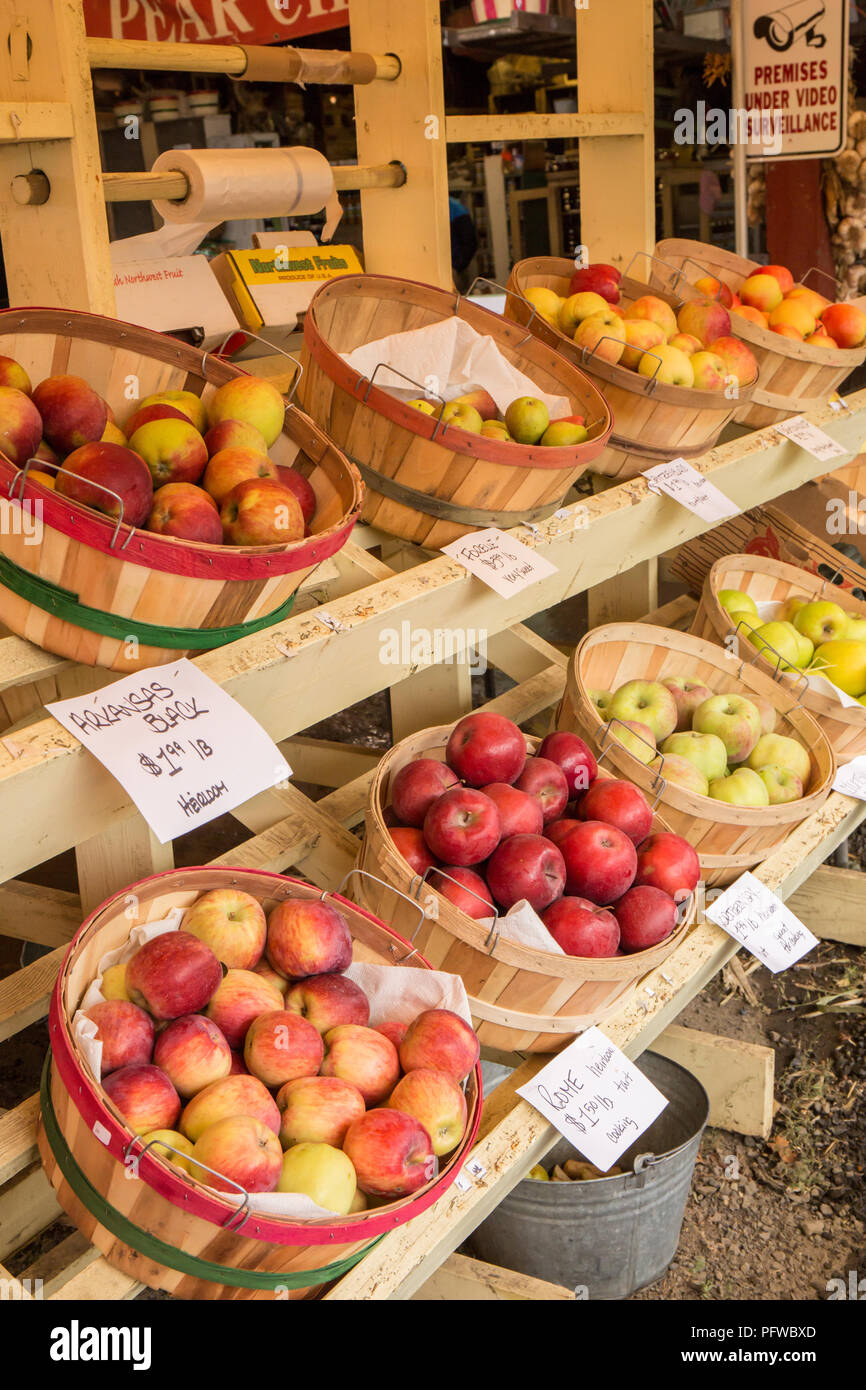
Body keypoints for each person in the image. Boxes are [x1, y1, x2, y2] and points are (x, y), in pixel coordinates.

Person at [449, 195, 478, 289]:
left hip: (455, 269)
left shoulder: (454, 207)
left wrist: (458, 265)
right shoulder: (455, 205)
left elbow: (470, 241)